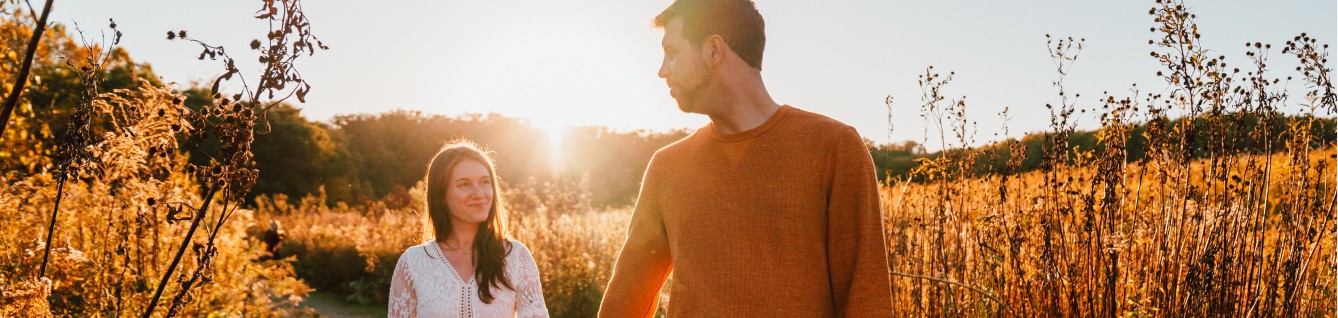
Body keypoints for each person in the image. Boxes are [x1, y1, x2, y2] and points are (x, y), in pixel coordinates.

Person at [598, 0, 894, 317]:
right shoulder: (667, 167)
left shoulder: (834, 148)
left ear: (713, 50)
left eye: (672, 52)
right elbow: (624, 302)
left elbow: (866, 297)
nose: (662, 70)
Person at [389, 141, 549, 318]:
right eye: (464, 184)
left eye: (485, 182)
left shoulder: (516, 257)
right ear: (441, 195)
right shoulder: (413, 263)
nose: (479, 193)